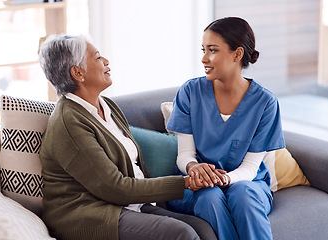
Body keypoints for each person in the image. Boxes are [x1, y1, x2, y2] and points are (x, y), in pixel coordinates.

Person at [38, 34, 219, 240]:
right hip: (90, 214)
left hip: (128, 205)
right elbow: (117, 188)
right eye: (97, 58)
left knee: (202, 229)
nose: (106, 61)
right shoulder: (69, 122)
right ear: (78, 73)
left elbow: (135, 170)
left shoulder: (107, 106)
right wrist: (184, 183)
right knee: (182, 234)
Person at [166, 17, 286, 240]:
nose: (204, 58)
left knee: (242, 194)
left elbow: (251, 168)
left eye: (212, 50)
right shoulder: (190, 92)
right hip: (197, 186)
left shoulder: (265, 103)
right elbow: (184, 155)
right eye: (203, 50)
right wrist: (194, 167)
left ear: (237, 54)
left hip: (246, 184)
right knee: (210, 197)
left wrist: (225, 179)